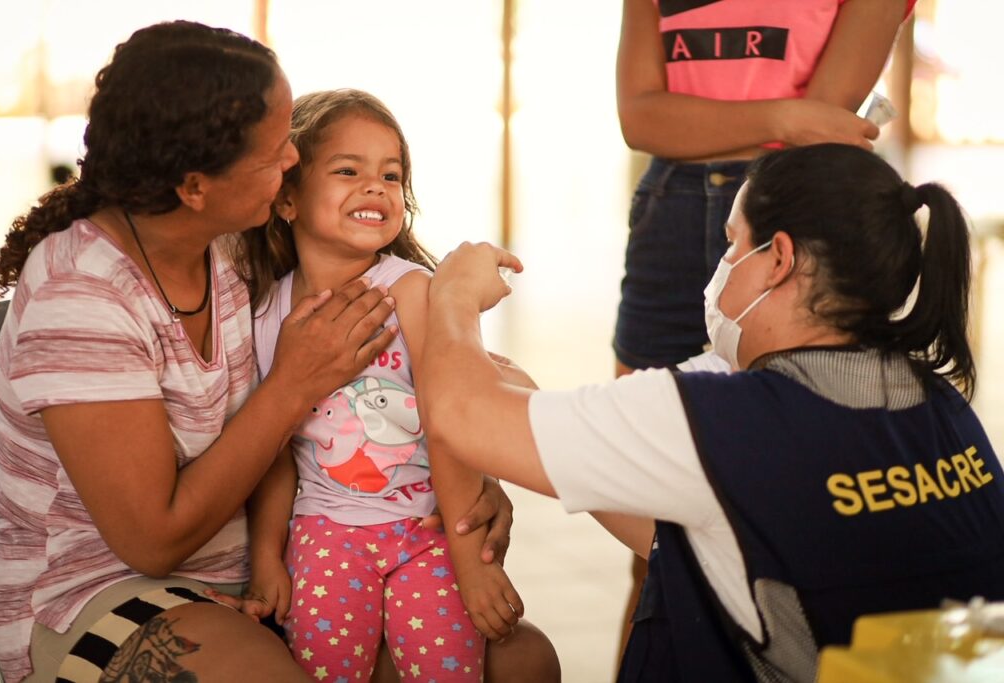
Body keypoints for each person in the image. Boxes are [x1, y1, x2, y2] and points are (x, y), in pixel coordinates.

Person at [0, 22, 535, 683]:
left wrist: (478, 478)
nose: (293, 162)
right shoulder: (80, 296)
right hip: (102, 589)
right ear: (194, 187)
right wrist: (292, 383)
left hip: (270, 555)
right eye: (275, 152)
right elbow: (152, 541)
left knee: (522, 662)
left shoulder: (233, 251)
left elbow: (429, 380)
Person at [417, 143, 1004, 682]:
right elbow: (728, 541)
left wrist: (452, 295)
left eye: (733, 244)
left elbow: (461, 415)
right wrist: (565, 446)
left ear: (778, 259)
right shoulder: (939, 406)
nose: (722, 265)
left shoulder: (727, 416)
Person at [612, 0, 915, 658]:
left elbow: (826, 123)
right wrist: (781, 115)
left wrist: (707, 123)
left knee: (799, 515)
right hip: (670, 211)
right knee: (647, 525)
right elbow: (639, 116)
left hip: (792, 214)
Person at [233, 88, 536, 682]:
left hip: (425, 532)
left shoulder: (413, 292)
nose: (376, 187)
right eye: (349, 170)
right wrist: (267, 559)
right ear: (288, 198)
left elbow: (449, 423)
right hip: (324, 535)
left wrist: (469, 559)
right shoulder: (267, 314)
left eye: (391, 175)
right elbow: (274, 453)